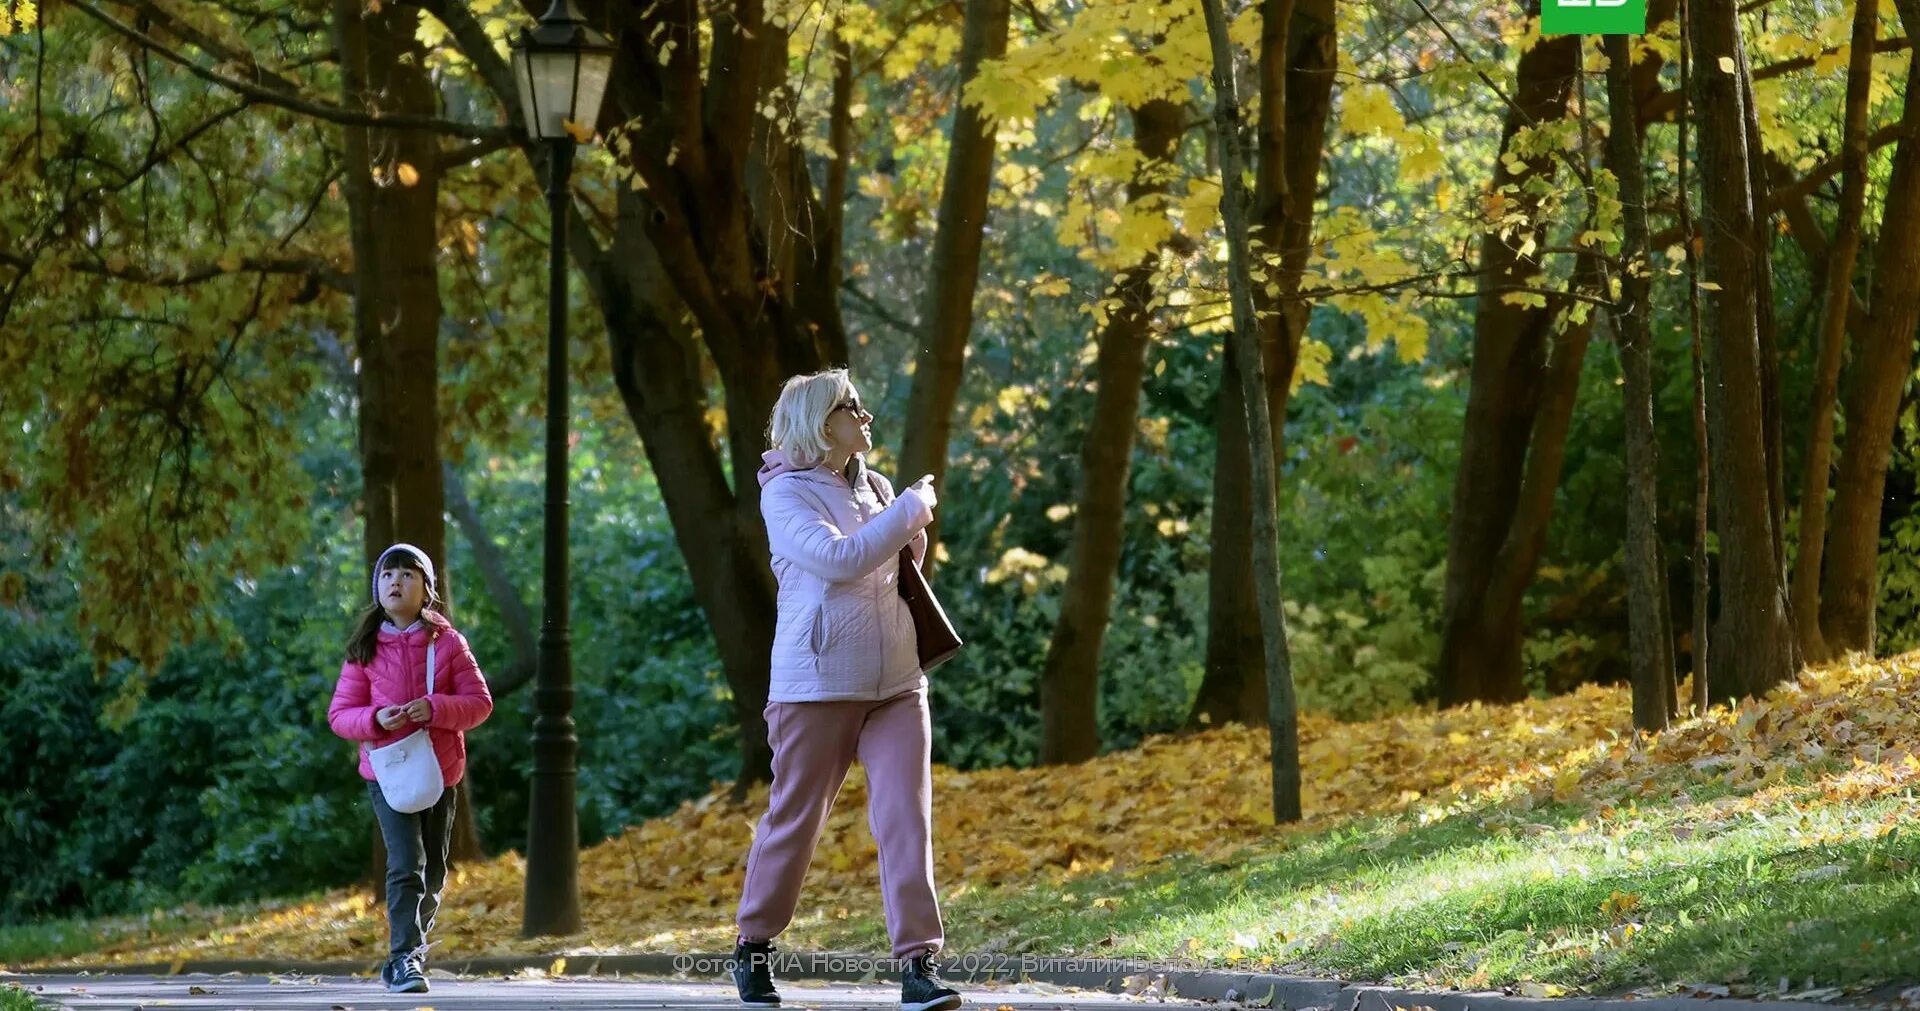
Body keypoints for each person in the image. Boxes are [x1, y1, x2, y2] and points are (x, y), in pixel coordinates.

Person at [731, 369, 963, 1011]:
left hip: (896, 681)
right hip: (817, 683)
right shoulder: (784, 495)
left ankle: (919, 965)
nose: (865, 415)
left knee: (905, 820)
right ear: (820, 421)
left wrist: (908, 527)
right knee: (797, 820)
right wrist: (911, 512)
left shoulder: (878, 485)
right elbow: (839, 561)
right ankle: (752, 944)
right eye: (850, 406)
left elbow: (891, 566)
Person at [327, 543, 494, 994]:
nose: (396, 581)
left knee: (435, 872)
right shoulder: (364, 648)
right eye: (387, 575)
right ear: (377, 588)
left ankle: (408, 950)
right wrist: (375, 720)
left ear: (427, 590)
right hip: (387, 773)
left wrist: (435, 709)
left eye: (407, 574)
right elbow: (340, 714)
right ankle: (405, 959)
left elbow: (480, 704)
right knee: (406, 864)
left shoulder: (450, 644)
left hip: (441, 771)